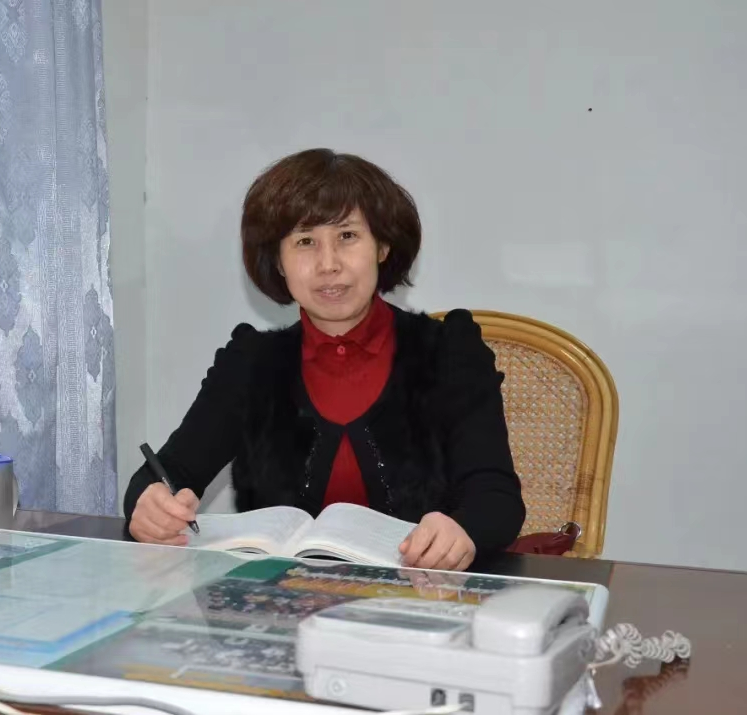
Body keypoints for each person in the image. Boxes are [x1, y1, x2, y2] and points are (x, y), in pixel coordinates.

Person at [124, 148, 525, 571]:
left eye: (347, 236)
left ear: (383, 246)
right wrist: (150, 505)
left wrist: (462, 530)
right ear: (278, 261)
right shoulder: (251, 363)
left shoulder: (448, 352)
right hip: (277, 603)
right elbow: (167, 472)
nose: (328, 264)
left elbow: (495, 496)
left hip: (418, 598)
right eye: (305, 242)